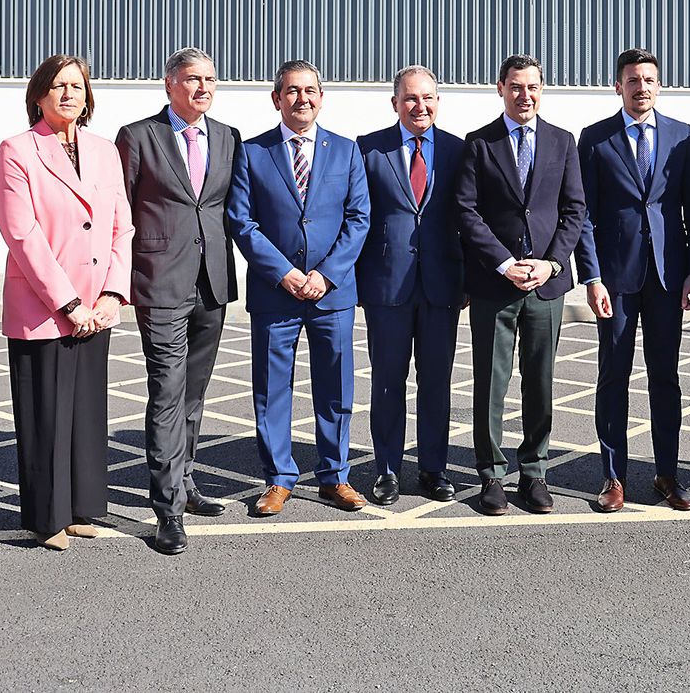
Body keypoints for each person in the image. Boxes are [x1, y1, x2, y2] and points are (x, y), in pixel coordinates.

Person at [0, 55, 134, 550]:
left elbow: (122, 224)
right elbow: (22, 234)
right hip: (45, 306)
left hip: (98, 305)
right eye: (57, 86)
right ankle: (47, 516)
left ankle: (82, 506)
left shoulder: (104, 149)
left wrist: (114, 295)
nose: (69, 94)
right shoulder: (17, 150)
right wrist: (70, 303)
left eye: (77, 86)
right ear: (39, 95)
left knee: (86, 410)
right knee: (44, 414)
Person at [227, 60, 370, 517]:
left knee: (335, 387)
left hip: (332, 293)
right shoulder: (252, 153)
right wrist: (284, 272)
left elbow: (358, 218)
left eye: (310, 91)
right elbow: (241, 221)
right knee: (272, 389)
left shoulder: (347, 152)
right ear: (277, 99)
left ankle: (336, 475)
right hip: (276, 292)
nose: (302, 99)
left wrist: (326, 275)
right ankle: (278, 479)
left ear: (322, 97)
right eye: (292, 91)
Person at [116, 47, 242, 555]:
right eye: (192, 79)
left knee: (194, 393)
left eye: (210, 79)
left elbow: (228, 207)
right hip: (160, 282)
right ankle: (166, 509)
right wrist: (115, 281)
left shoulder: (228, 137)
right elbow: (119, 210)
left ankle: (185, 482)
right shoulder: (139, 136)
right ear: (170, 84)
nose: (203, 88)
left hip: (212, 281)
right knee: (167, 393)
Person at [576, 48, 690, 513]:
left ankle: (667, 474)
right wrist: (590, 276)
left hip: (669, 277)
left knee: (665, 378)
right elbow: (584, 215)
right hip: (615, 278)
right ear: (618, 86)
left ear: (658, 84)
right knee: (613, 375)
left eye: (649, 79)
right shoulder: (594, 139)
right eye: (633, 80)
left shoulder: (681, 136)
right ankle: (613, 477)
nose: (642, 87)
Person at [454, 54, 587, 516]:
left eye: (532, 86)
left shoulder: (562, 142)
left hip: (546, 286)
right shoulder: (479, 143)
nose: (524, 94)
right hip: (496, 285)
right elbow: (466, 212)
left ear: (541, 89)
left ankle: (534, 473)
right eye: (515, 86)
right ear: (501, 88)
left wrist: (551, 265)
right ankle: (490, 474)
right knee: (491, 384)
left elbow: (574, 212)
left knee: (541, 383)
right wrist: (505, 263)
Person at [355, 65, 466, 505]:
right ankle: (386, 469)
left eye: (429, 98)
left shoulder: (459, 150)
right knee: (387, 381)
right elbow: (358, 217)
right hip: (387, 287)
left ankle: (433, 468)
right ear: (395, 103)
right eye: (411, 99)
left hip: (443, 285)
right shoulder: (369, 150)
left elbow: (469, 217)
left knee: (436, 380)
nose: (421, 106)